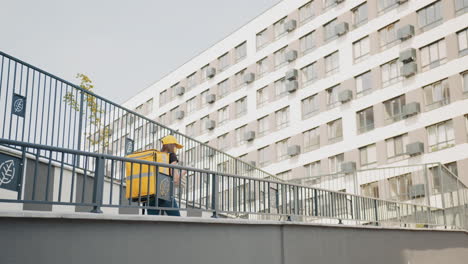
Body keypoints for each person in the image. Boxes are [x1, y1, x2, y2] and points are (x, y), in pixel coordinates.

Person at [147, 135, 185, 216]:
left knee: (150, 222)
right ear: (172, 146)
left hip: (151, 192)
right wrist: (184, 172)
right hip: (165, 192)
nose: (176, 149)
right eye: (175, 146)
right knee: (177, 221)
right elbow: (175, 179)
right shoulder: (171, 156)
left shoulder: (156, 156)